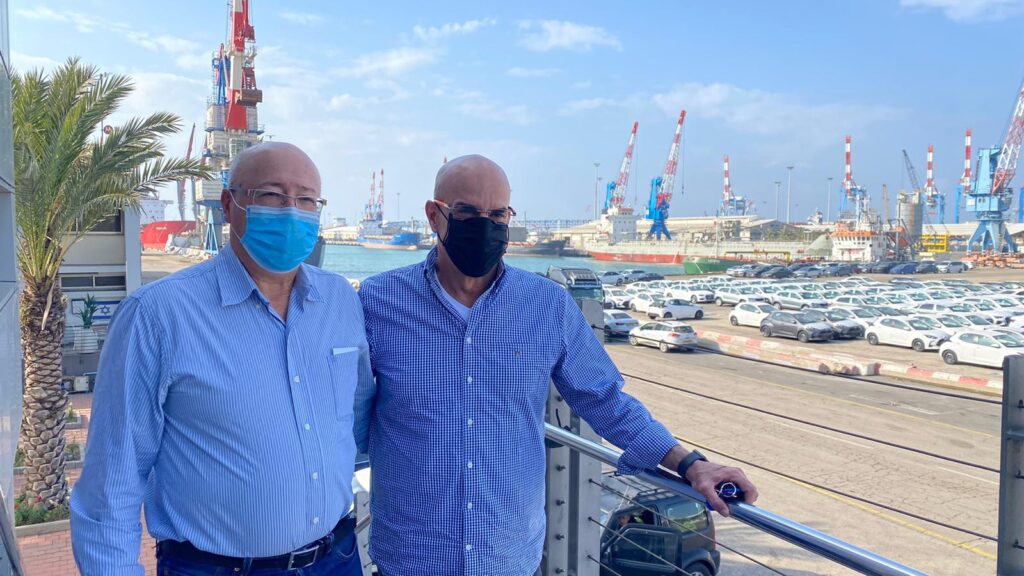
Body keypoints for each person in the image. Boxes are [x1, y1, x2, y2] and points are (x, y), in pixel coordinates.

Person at [359, 154, 758, 576]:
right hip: (410, 558)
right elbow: (340, 407)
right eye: (467, 213)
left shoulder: (546, 305)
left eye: (497, 215)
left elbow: (604, 399)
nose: (485, 225)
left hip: (509, 558)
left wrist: (690, 464)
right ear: (434, 215)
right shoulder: (378, 301)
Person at [70, 142, 373, 575]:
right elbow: (111, 483)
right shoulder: (159, 314)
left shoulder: (340, 300)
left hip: (336, 558)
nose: (292, 211)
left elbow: (356, 418)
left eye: (307, 200)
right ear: (230, 205)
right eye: (272, 196)